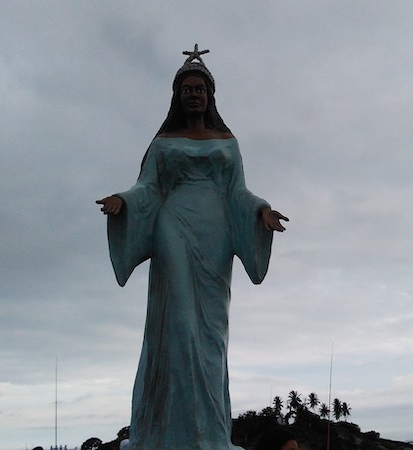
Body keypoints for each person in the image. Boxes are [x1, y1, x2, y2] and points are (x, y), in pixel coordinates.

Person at [96, 44, 288, 450]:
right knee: (179, 325)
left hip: (215, 234)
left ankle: (208, 435)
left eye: (200, 88)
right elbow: (148, 186)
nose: (194, 94)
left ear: (210, 95)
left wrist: (261, 212)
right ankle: (164, 433)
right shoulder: (164, 141)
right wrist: (123, 202)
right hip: (173, 227)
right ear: (178, 96)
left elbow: (237, 191)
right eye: (187, 89)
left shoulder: (228, 142)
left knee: (211, 335)